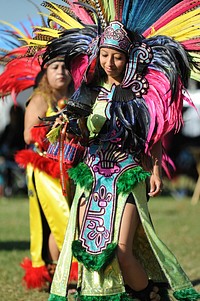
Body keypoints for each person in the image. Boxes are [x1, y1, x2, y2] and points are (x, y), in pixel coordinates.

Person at [41, 1, 200, 300]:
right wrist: (66, 127)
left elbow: (154, 136)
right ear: (96, 54)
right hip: (93, 178)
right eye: (104, 55)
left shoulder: (141, 94)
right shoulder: (87, 91)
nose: (109, 63)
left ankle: (152, 294)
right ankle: (137, 293)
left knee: (123, 251)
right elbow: (72, 134)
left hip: (128, 175)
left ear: (129, 58)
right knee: (91, 247)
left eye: (117, 57)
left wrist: (154, 171)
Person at [15, 57, 79, 290]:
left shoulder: (74, 97)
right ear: (45, 74)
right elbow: (28, 135)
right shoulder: (40, 99)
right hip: (44, 168)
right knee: (61, 218)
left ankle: (59, 274)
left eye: (65, 67)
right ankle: (63, 274)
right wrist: (54, 127)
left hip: (68, 167)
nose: (61, 71)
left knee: (67, 219)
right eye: (55, 67)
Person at [0, 104, 25, 197]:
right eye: (11, 114)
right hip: (6, 158)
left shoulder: (22, 129)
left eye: (14, 114)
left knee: (6, 167)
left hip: (17, 159)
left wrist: (12, 153)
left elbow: (23, 146)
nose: (12, 116)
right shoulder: (8, 128)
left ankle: (10, 188)